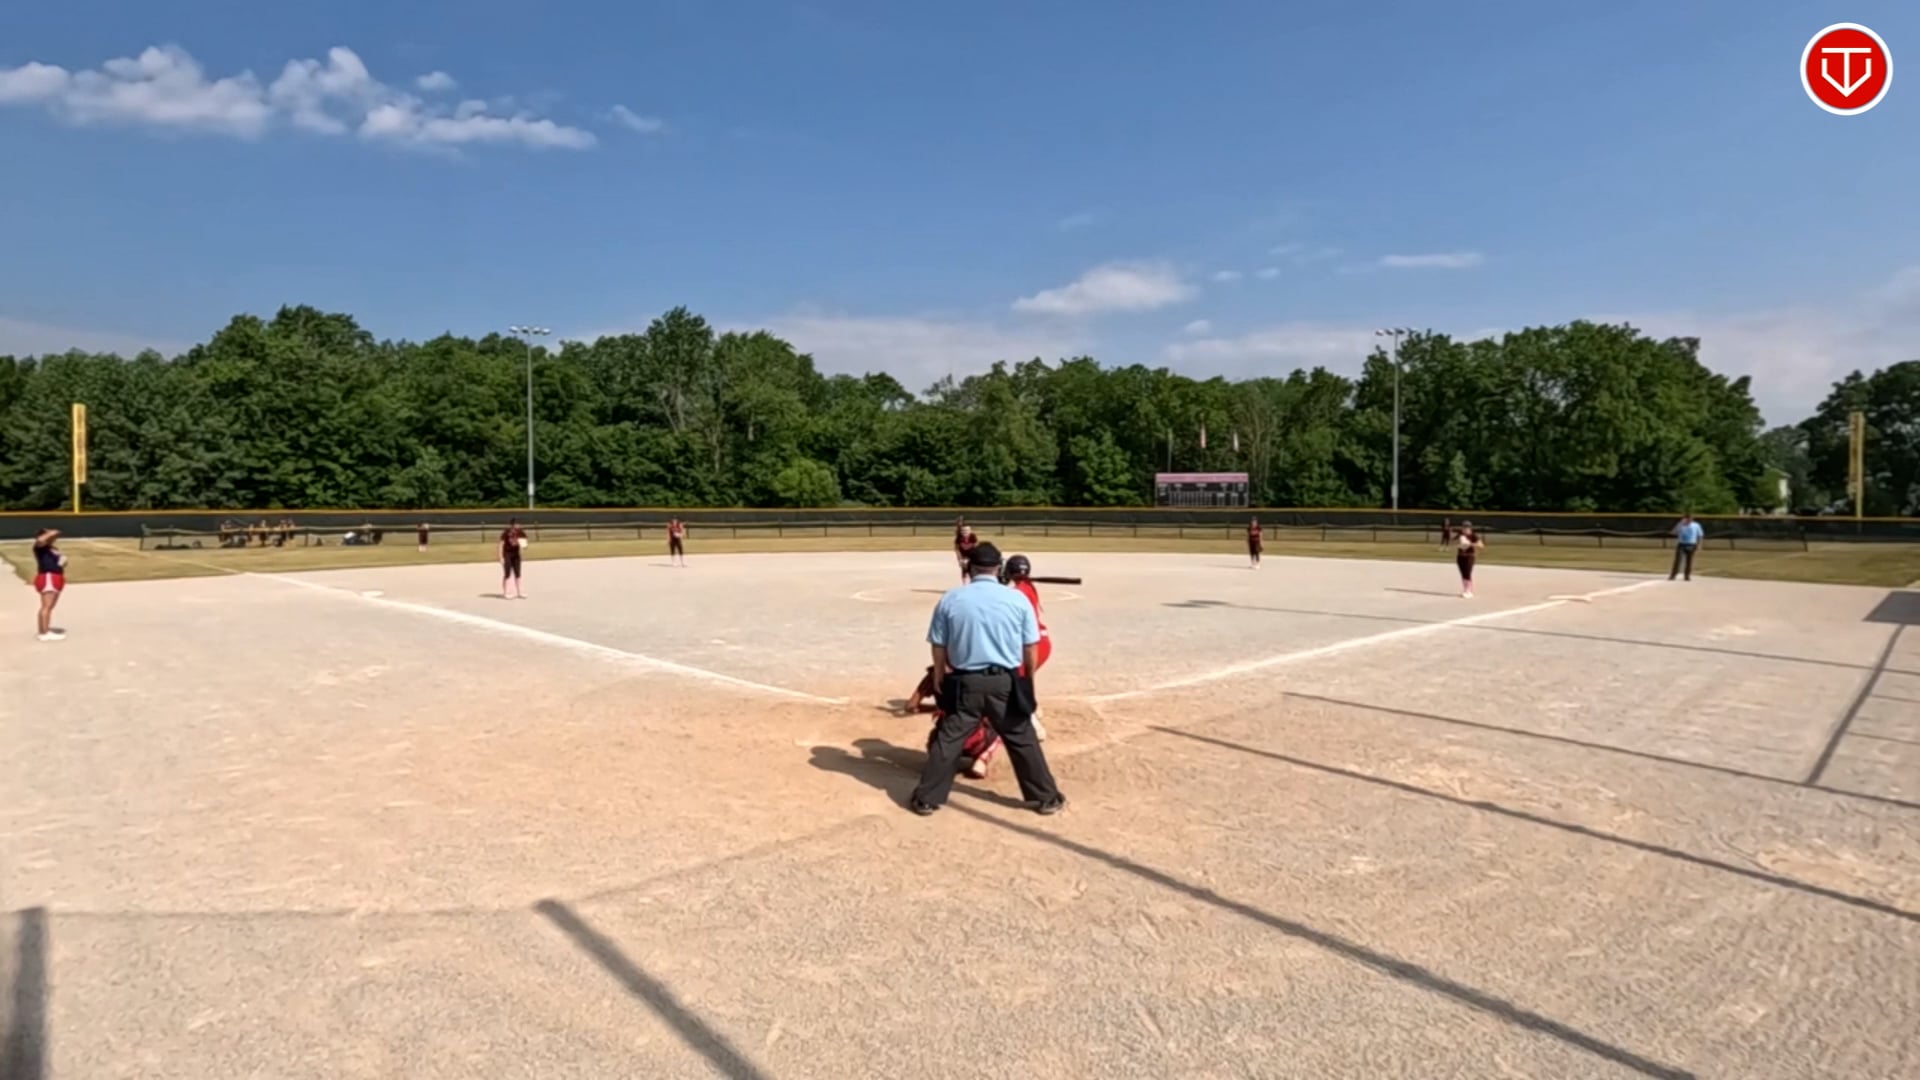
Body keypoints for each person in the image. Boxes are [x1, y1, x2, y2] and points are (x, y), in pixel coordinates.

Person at [910, 542, 1065, 817]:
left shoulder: (950, 599)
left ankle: (927, 799)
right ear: (999, 568)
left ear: (970, 567)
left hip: (965, 683)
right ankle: (1045, 797)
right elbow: (1030, 646)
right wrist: (1027, 679)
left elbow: (938, 645)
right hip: (1004, 682)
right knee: (1021, 737)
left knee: (950, 738)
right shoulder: (1017, 599)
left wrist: (939, 676)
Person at [1000, 554, 1052, 742]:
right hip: (1042, 641)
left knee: (1018, 682)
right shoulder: (1028, 586)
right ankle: (1035, 706)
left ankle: (1033, 724)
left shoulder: (1017, 593)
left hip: (1031, 645)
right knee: (1025, 679)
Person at [31, 528, 67, 642]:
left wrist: (62, 562)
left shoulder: (52, 548)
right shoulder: (40, 547)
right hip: (48, 577)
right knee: (46, 606)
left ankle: (44, 630)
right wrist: (50, 532)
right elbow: (40, 540)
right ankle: (44, 633)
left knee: (49, 606)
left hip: (56, 576)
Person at [1452, 520, 1485, 598]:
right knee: (1463, 573)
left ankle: (1469, 591)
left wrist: (1470, 544)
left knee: (1467, 572)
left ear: (1470, 528)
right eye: (1464, 527)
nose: (1465, 528)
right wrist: (1458, 544)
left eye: (1467, 527)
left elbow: (1481, 545)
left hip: (1469, 556)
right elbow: (1452, 542)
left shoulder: (1473, 535)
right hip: (1460, 556)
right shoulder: (1460, 535)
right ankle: (1465, 589)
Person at [499, 517, 528, 599]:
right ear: (512, 525)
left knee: (518, 573)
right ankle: (506, 593)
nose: (518, 525)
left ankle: (519, 592)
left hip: (516, 554)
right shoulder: (506, 532)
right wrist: (501, 557)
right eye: (516, 524)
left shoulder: (521, 533)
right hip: (507, 554)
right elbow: (501, 544)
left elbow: (524, 545)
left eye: (519, 524)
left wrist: (523, 544)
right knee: (507, 573)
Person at [1670, 514, 1703, 582]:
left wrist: (1699, 545)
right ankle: (1673, 575)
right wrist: (1680, 526)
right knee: (1678, 560)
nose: (1688, 520)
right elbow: (1673, 532)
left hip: (1691, 544)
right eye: (1686, 519)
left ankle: (1687, 576)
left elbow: (1700, 535)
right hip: (1681, 544)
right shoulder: (1680, 524)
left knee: (1689, 561)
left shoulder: (1696, 525)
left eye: (1690, 519)